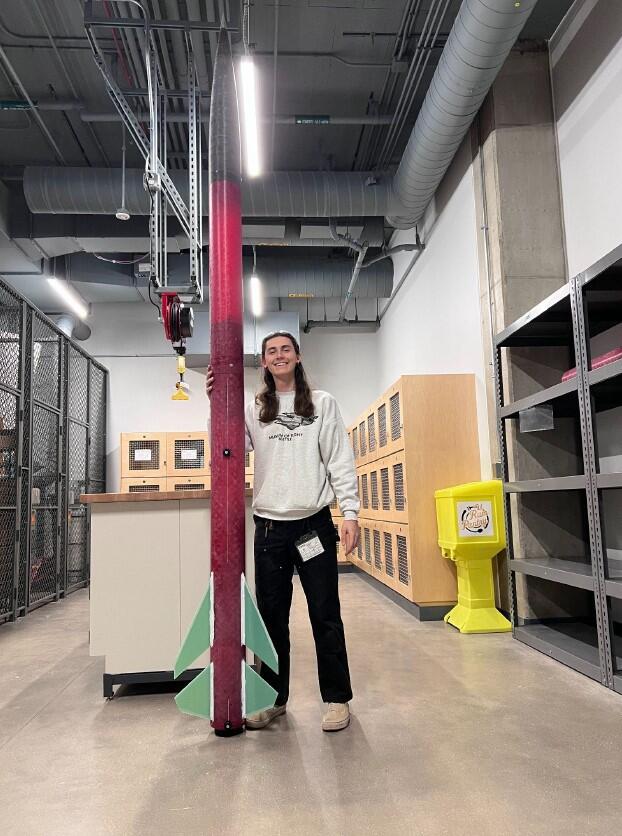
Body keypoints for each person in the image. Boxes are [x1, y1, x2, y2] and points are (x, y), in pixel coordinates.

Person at [206, 330, 359, 732]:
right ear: (264, 361)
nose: (279, 356)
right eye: (271, 351)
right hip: (271, 528)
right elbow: (226, 448)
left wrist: (351, 513)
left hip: (314, 527)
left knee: (325, 614)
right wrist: (216, 404)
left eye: (285, 349)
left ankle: (336, 699)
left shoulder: (322, 404)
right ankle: (272, 699)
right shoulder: (256, 408)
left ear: (297, 355)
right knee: (272, 620)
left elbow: (340, 460)